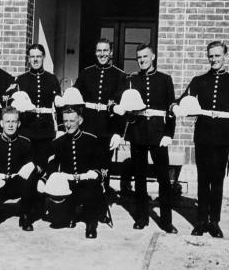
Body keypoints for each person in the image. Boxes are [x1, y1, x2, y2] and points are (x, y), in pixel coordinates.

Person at [172, 41, 229, 238]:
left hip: (222, 138)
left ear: (225, 56)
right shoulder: (199, 80)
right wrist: (175, 108)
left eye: (217, 56)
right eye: (211, 56)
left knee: (217, 181)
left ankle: (215, 222)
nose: (214, 59)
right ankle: (201, 221)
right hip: (203, 136)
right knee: (203, 179)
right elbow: (181, 100)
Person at [117, 43, 177, 233]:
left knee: (163, 179)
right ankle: (141, 217)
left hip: (159, 134)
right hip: (138, 132)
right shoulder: (131, 80)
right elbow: (124, 106)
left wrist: (169, 133)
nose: (142, 60)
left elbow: (171, 109)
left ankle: (166, 221)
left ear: (153, 57)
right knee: (140, 178)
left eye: (145, 57)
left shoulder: (165, 79)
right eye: (139, 58)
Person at [41, 103, 106, 239]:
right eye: (65, 121)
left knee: (92, 187)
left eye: (72, 121)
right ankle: (71, 214)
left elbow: (100, 165)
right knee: (59, 219)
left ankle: (91, 225)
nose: (68, 125)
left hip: (87, 182)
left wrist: (95, 173)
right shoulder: (58, 143)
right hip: (69, 183)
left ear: (80, 121)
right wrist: (46, 179)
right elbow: (53, 165)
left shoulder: (91, 140)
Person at [74, 38, 126, 193]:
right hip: (88, 126)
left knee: (104, 167)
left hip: (107, 128)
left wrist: (118, 133)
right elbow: (75, 96)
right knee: (85, 165)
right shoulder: (86, 72)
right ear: (95, 53)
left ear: (111, 53)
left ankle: (101, 207)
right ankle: (84, 205)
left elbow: (122, 108)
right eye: (99, 51)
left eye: (105, 51)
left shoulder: (120, 75)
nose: (102, 54)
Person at [16, 44, 61, 169]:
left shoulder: (52, 79)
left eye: (38, 56)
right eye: (32, 56)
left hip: (45, 130)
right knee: (27, 167)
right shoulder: (21, 80)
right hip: (26, 129)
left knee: (43, 166)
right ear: (28, 59)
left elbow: (59, 105)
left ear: (44, 57)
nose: (35, 60)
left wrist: (61, 128)